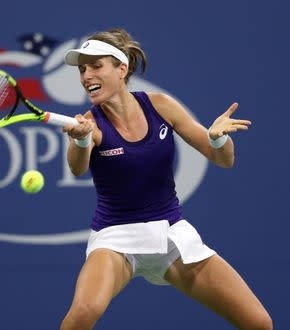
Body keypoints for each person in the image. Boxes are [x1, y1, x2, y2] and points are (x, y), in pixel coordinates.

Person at [60, 28, 272, 330]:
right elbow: (78, 168)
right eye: (82, 69)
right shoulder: (90, 124)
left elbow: (224, 159)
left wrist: (216, 139)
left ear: (122, 69)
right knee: (84, 313)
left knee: (259, 322)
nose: (86, 76)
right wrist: (80, 142)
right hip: (116, 239)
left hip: (172, 235)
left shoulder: (160, 105)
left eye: (96, 66)